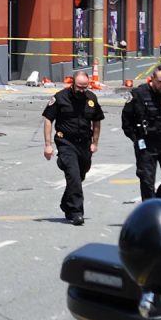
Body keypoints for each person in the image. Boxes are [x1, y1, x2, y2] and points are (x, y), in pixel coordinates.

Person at [42, 70, 103, 226]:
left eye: (85, 87)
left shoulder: (91, 98)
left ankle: (66, 203)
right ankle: (77, 212)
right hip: (66, 142)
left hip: (84, 143)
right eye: (79, 87)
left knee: (80, 175)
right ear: (72, 84)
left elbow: (97, 121)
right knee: (74, 175)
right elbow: (48, 120)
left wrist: (95, 143)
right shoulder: (60, 97)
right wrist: (48, 145)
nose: (82, 90)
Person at [121, 65, 161, 201]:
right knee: (147, 180)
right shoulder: (138, 94)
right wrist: (136, 138)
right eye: (160, 82)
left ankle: (159, 202)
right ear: (152, 79)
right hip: (146, 143)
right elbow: (126, 119)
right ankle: (149, 212)